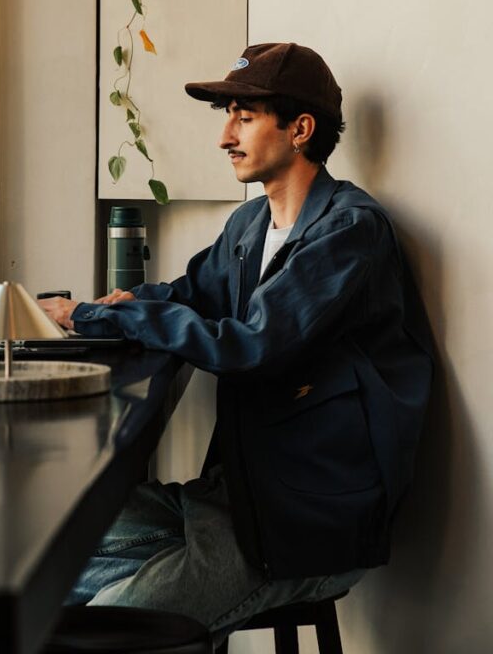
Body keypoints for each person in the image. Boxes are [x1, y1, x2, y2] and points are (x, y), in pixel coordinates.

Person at [40, 42, 434, 646]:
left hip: (306, 522)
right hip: (238, 497)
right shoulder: (251, 226)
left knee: (113, 622)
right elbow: (192, 294)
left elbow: (250, 345)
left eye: (243, 117)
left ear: (300, 129)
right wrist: (113, 309)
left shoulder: (350, 231)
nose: (225, 135)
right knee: (51, 557)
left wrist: (105, 317)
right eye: (228, 115)